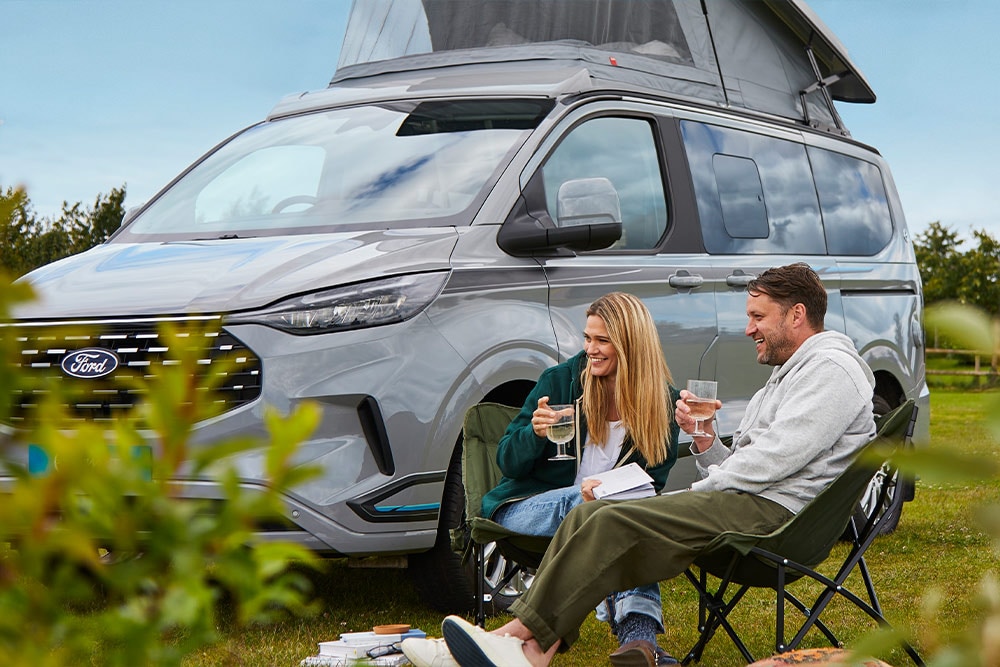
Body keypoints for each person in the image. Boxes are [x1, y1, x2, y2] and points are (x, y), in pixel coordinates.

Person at [437, 263, 877, 667]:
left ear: (796, 314)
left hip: (774, 518)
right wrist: (706, 441)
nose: (748, 329)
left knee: (611, 516)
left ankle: (521, 639)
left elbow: (776, 460)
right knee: (594, 511)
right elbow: (759, 461)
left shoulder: (832, 370)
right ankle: (533, 648)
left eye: (758, 317)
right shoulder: (792, 375)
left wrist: (701, 492)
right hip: (748, 502)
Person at [402, 292, 680, 667]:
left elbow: (653, 480)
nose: (591, 350)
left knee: (611, 517)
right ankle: (639, 637)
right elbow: (508, 462)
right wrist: (533, 433)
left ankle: (537, 652)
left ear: (631, 344)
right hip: (525, 508)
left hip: (600, 519)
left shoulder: (660, 403)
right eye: (587, 338)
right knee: (594, 509)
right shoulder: (561, 381)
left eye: (602, 341)